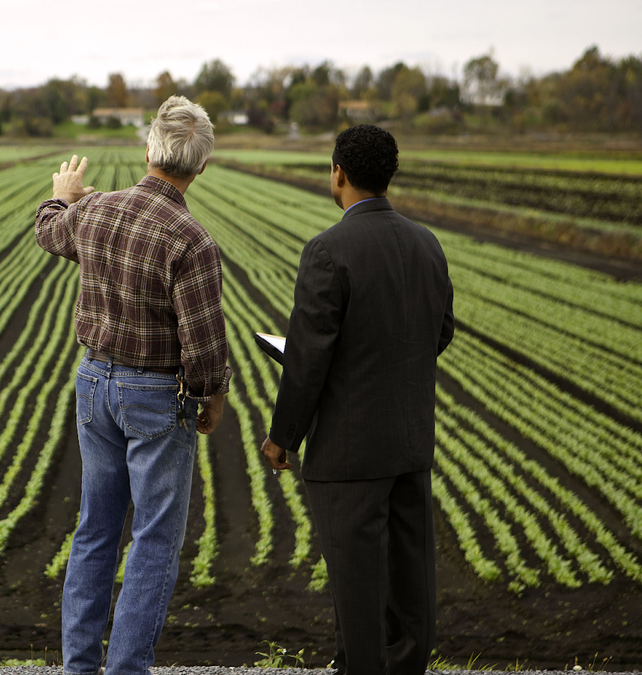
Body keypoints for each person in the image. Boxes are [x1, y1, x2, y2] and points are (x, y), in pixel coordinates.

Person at [34, 95, 232, 675]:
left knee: (96, 527)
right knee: (152, 540)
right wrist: (212, 393)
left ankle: (79, 666)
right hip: (155, 397)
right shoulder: (191, 241)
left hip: (93, 384)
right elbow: (203, 342)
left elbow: (50, 230)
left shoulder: (98, 214)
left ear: (147, 151)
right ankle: (125, 669)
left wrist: (63, 196)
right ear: (202, 167)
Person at [260, 124, 454, 675]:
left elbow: (307, 360)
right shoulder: (426, 243)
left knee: (358, 589)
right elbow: (441, 332)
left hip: (348, 455)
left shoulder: (328, 251)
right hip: (411, 443)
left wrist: (282, 439)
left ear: (338, 173)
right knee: (411, 584)